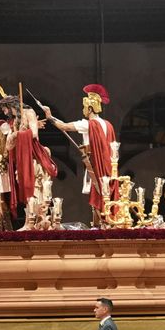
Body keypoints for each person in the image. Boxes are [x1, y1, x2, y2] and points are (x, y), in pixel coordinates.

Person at [43, 84, 117, 226]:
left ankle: (100, 224)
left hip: (95, 164)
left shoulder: (89, 124)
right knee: (104, 193)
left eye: (84, 107)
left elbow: (63, 126)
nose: (83, 110)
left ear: (89, 108)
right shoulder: (108, 124)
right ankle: (104, 223)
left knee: (97, 193)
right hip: (108, 166)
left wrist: (49, 116)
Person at [0, 93, 57, 218]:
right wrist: (14, 135)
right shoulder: (13, 121)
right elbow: (9, 146)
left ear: (10, 105)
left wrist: (17, 134)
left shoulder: (29, 112)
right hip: (20, 158)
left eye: (5, 109)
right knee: (24, 187)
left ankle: (37, 218)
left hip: (32, 155)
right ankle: (29, 218)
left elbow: (34, 134)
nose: (4, 113)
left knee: (35, 188)